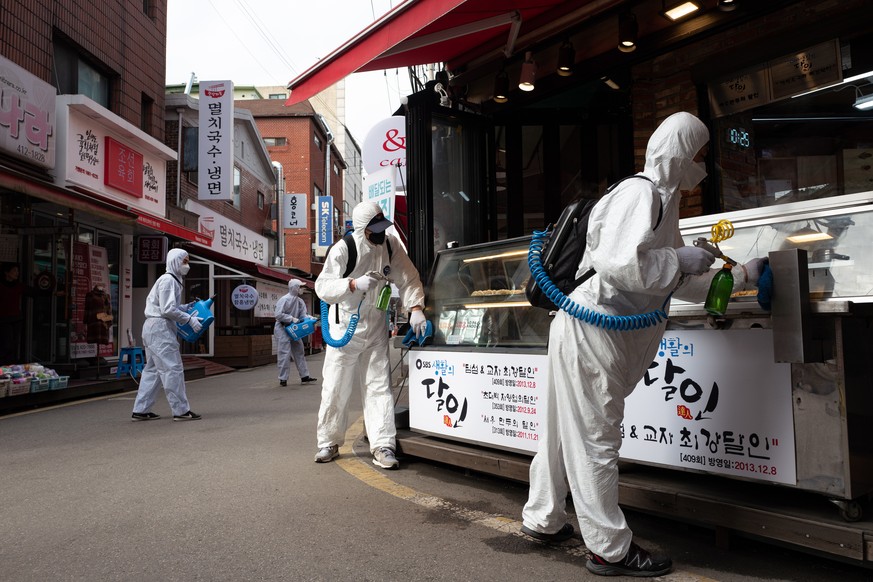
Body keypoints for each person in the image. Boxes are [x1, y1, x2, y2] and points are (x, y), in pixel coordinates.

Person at [520, 112, 765, 577]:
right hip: (594, 330)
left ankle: (543, 516)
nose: (702, 164)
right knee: (597, 438)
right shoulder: (640, 192)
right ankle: (608, 548)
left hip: (595, 329)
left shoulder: (663, 201)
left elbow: (670, 282)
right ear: (681, 150)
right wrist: (680, 257)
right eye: (699, 153)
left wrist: (739, 275)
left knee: (559, 430)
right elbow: (621, 265)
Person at [313, 201, 427, 469]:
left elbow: (408, 277)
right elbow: (323, 286)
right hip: (344, 329)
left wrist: (416, 307)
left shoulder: (389, 244)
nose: (380, 233)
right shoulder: (344, 248)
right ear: (362, 227)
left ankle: (383, 444)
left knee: (378, 386)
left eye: (382, 227)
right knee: (336, 387)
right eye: (374, 229)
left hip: (375, 326)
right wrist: (352, 284)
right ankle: (328, 441)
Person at [131, 248, 202, 422]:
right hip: (160, 329)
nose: (187, 265)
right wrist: (188, 319)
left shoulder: (171, 281)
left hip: (154, 328)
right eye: (184, 261)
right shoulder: (168, 280)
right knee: (173, 369)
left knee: (153, 371)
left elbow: (166, 306)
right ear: (174, 261)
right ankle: (181, 411)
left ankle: (141, 409)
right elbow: (167, 309)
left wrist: (184, 308)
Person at [274, 278, 317, 386]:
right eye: (300, 286)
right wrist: (291, 318)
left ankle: (304, 376)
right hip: (282, 328)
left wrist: (310, 318)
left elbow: (302, 316)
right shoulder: (284, 300)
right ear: (294, 288)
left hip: (294, 329)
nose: (302, 289)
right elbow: (278, 315)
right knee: (284, 353)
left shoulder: (300, 301)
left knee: (299, 351)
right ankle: (283, 379)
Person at [0, 262, 31, 364]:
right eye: (14, 271)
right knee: (6, 344)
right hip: (3, 319)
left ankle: (10, 366)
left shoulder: (18, 286)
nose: (17, 273)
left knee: (14, 344)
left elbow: (33, 292)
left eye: (17, 271)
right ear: (6, 272)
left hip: (16, 319)